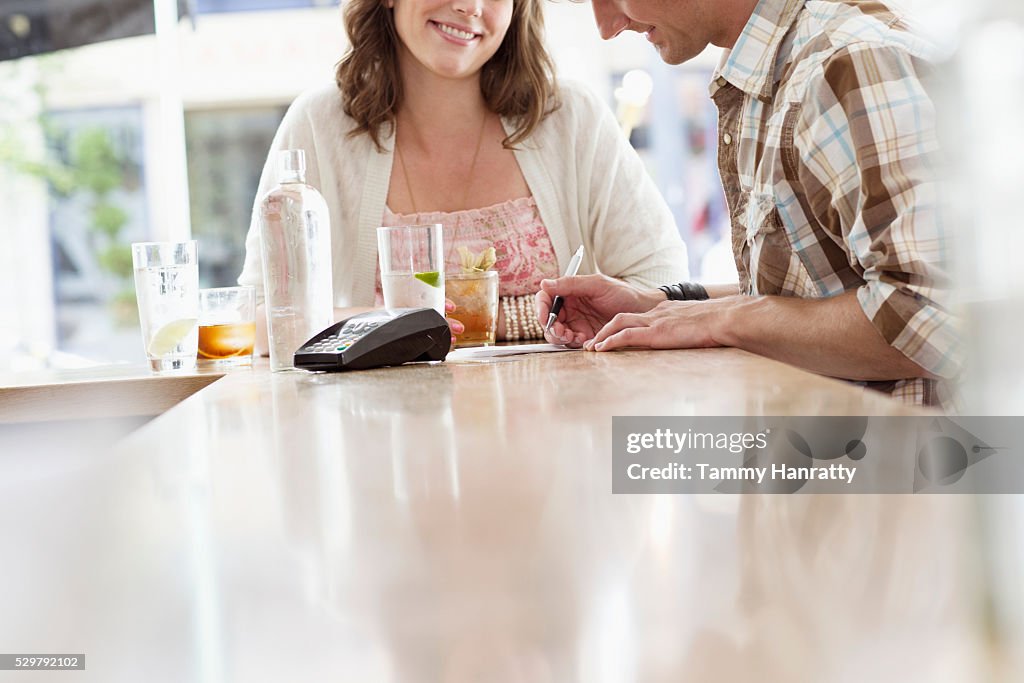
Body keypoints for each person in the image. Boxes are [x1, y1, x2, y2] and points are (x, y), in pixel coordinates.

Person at [539, 0, 959, 407]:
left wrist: (721, 320)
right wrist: (663, 304)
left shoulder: (847, 63)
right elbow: (819, 287)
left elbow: (929, 320)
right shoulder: (772, 63)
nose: (606, 26)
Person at [239, 0, 689, 346]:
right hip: (379, 447)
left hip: (556, 441)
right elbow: (257, 317)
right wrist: (382, 324)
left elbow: (661, 284)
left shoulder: (571, 117)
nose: (470, 6)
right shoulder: (318, 125)